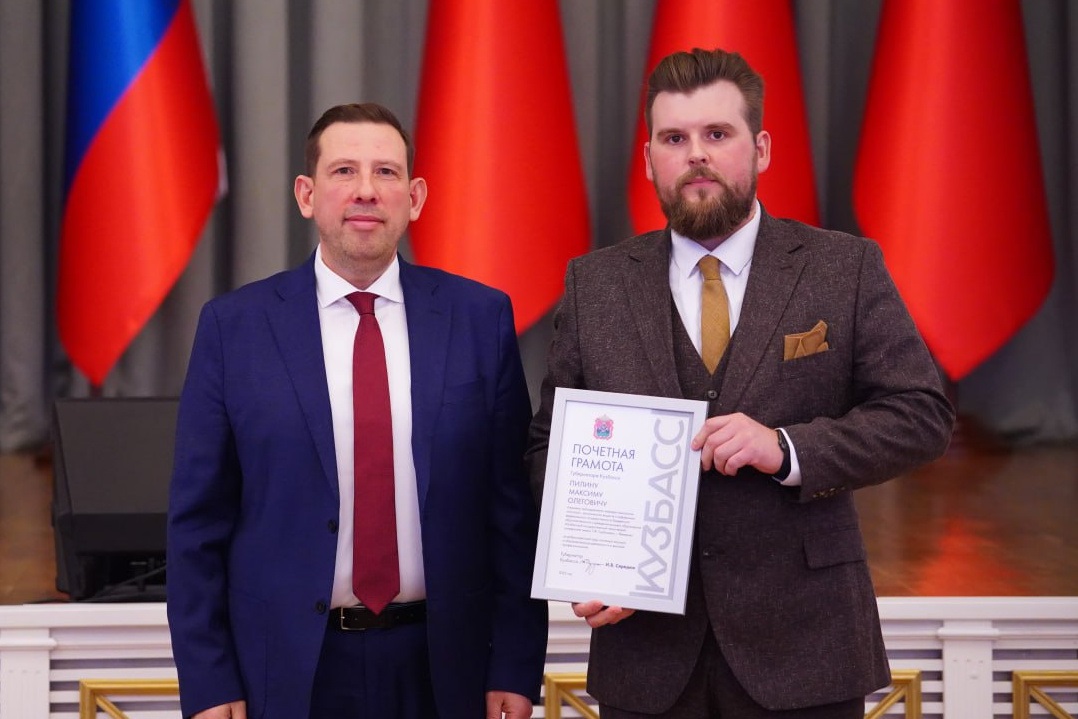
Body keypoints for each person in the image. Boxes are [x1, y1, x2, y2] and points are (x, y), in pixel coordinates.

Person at [526, 48, 954, 718]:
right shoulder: (595, 284)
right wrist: (586, 558)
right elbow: (549, 445)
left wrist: (787, 449)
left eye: (717, 134)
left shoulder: (843, 267)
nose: (696, 154)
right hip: (646, 655)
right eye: (674, 138)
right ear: (649, 161)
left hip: (807, 650)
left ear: (760, 149)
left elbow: (922, 414)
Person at [168, 103, 548, 719]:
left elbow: (510, 512)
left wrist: (514, 661)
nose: (366, 190)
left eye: (386, 172)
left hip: (445, 668)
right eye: (344, 171)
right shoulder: (233, 328)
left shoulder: (479, 319)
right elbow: (197, 524)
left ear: (415, 198)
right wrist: (210, 681)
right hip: (286, 672)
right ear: (307, 194)